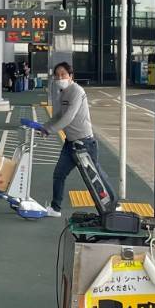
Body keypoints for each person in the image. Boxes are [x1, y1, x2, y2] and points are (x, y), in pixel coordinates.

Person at [38, 61, 109, 218]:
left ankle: (111, 205)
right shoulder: (62, 92)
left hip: (84, 142)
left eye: (63, 74)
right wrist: (45, 126)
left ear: (71, 76)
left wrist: (50, 130)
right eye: (57, 75)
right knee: (59, 174)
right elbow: (58, 115)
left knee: (94, 176)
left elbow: (69, 117)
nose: (59, 77)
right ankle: (56, 208)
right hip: (70, 143)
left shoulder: (77, 91)